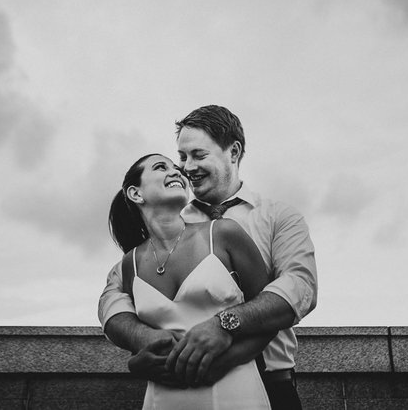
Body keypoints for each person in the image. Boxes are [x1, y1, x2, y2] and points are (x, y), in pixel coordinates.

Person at [100, 106, 318, 410]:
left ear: (233, 152)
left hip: (270, 383)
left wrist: (224, 325)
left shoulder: (279, 217)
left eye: (198, 155)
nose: (186, 167)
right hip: (175, 384)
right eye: (182, 157)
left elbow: (299, 288)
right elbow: (116, 295)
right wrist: (142, 341)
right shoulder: (167, 221)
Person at [108, 152, 275, 409]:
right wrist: (137, 362)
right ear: (135, 194)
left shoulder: (223, 233)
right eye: (161, 167)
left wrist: (223, 361)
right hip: (164, 398)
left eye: (176, 168)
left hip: (235, 391)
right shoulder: (129, 265)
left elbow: (269, 317)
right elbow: (140, 334)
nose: (176, 171)